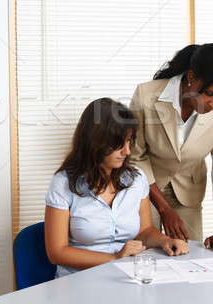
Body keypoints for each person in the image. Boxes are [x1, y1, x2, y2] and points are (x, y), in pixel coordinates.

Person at [45, 98, 189, 278]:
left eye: (129, 141)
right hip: (80, 280)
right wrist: (114, 258)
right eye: (119, 143)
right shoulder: (63, 183)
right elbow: (57, 253)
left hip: (125, 275)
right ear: (96, 142)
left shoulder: (136, 179)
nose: (127, 151)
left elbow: (144, 232)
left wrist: (165, 240)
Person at [129, 43, 213, 253]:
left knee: (190, 256)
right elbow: (136, 157)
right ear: (191, 77)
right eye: (209, 93)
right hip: (146, 187)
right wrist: (164, 209)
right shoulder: (146, 95)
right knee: (146, 252)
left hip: (189, 189)